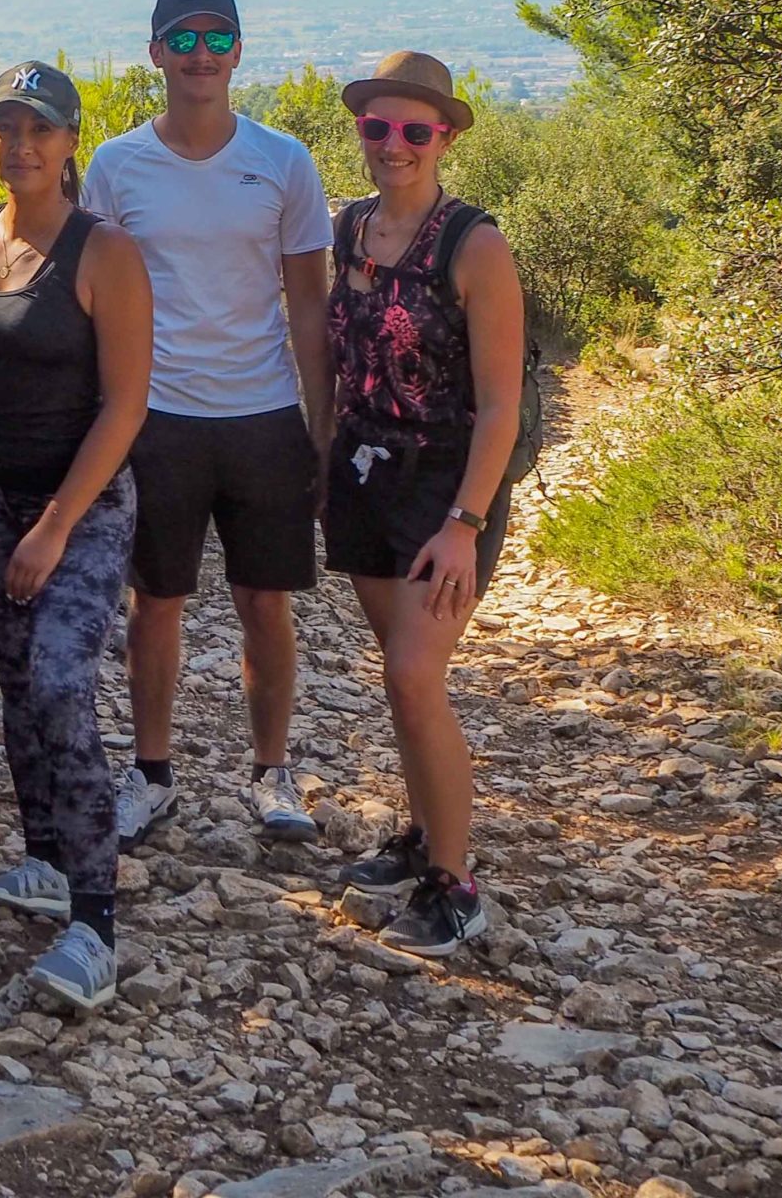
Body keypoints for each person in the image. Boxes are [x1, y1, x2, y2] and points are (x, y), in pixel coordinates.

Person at [81, 0, 333, 850]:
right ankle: (151, 775)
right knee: (156, 602)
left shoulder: (284, 161)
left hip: (263, 413)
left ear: (238, 52)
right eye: (182, 39)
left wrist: (322, 426)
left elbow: (309, 306)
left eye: (216, 38)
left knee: (266, 603)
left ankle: (272, 773)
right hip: (156, 415)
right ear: (155, 53)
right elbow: (93, 301)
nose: (200, 55)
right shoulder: (116, 166)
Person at [0, 62, 153, 1012]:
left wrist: (57, 526)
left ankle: (95, 924)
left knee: (63, 685)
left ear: (71, 142)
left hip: (82, 508)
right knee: (19, 685)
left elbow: (127, 403)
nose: (21, 145)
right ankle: (44, 862)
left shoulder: (106, 254)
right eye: (6, 127)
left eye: (41, 129)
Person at [324, 51, 525, 957]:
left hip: (447, 486)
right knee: (403, 679)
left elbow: (502, 407)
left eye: (415, 129)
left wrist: (465, 526)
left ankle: (455, 885)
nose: (394, 144)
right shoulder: (350, 229)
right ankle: (421, 835)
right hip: (364, 472)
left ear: (444, 138)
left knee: (413, 674)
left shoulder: (473, 245)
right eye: (379, 127)